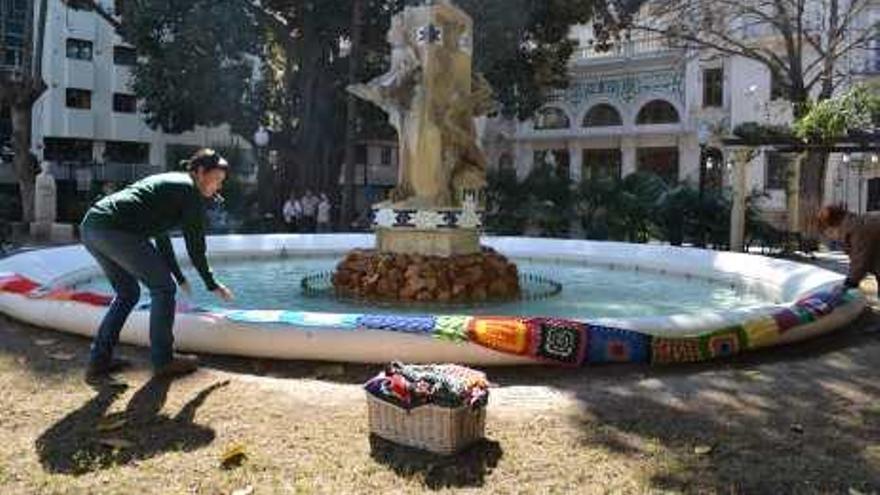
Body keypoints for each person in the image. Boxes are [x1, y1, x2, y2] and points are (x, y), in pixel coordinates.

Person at [79, 148, 235, 380]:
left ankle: (98, 361)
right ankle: (164, 360)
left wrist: (179, 277)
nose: (218, 187)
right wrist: (211, 283)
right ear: (201, 172)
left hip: (92, 227)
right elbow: (195, 246)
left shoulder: (173, 184)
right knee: (162, 289)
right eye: (217, 180)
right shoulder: (189, 191)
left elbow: (162, 239)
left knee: (128, 293)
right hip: (113, 230)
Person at [817, 204, 880, 303]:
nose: (830, 236)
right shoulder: (858, 223)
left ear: (833, 225)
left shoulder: (859, 229)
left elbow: (860, 262)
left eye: (828, 231)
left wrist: (848, 285)